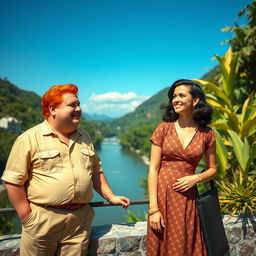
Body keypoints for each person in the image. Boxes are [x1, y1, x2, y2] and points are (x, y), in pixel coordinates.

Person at [1, 84, 130, 256]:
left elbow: (95, 172)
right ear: (53, 109)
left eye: (79, 104)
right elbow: (13, 182)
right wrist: (27, 218)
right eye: (72, 105)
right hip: (43, 220)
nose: (79, 109)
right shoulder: (28, 139)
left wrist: (111, 196)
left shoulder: (84, 137)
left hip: (79, 222)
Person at [146, 79, 217, 256]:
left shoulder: (207, 134)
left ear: (195, 100)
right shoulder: (163, 129)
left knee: (184, 245)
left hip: (187, 199)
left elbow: (212, 169)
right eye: (174, 96)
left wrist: (196, 178)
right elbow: (153, 169)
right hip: (162, 197)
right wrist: (153, 209)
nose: (176, 99)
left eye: (181, 95)